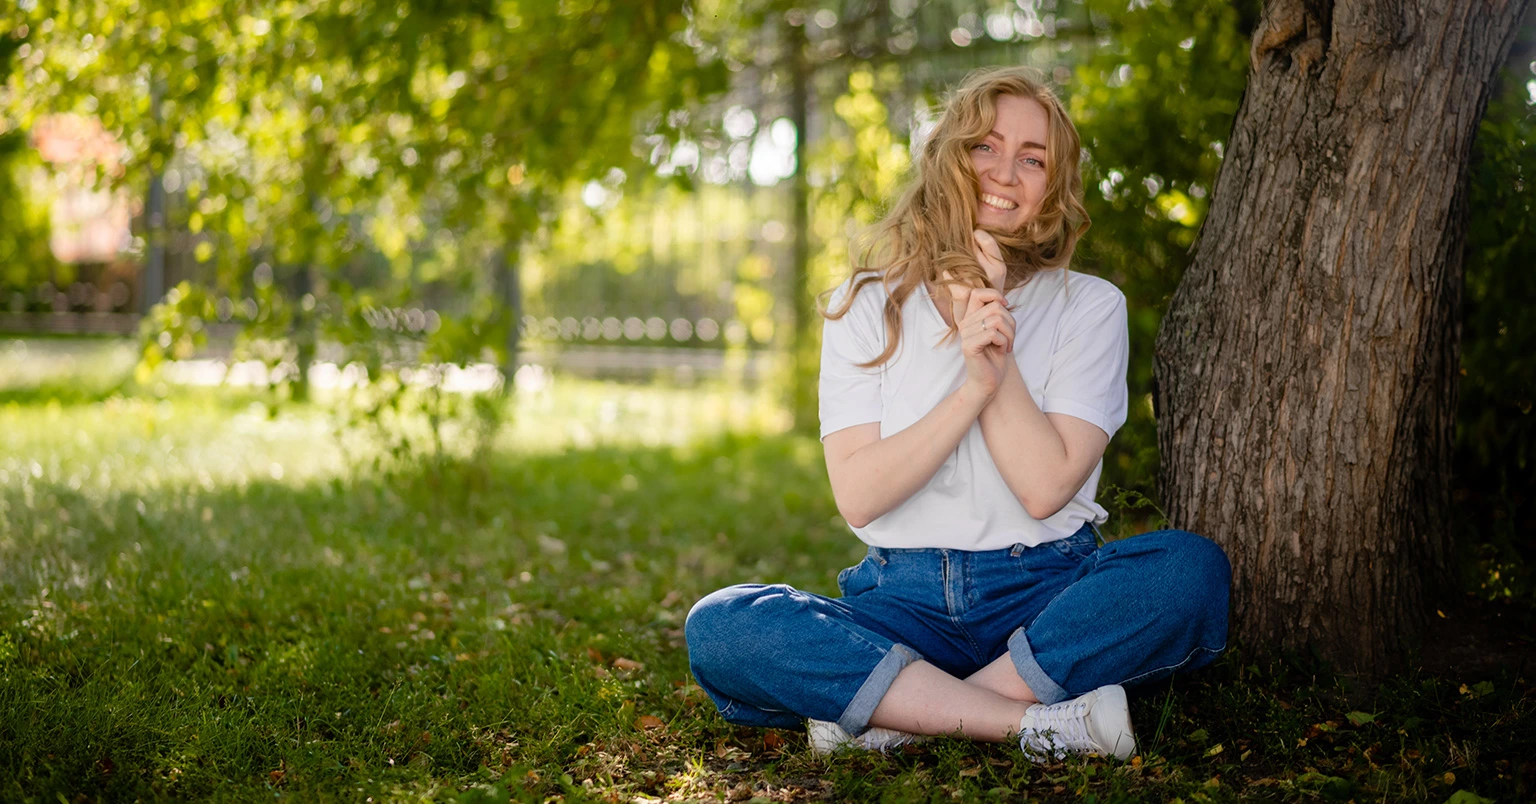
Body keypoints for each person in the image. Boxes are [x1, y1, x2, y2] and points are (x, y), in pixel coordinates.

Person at [684, 66, 1231, 760]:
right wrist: (971, 388)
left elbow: (1044, 487)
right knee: (724, 625)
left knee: (1189, 572)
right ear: (948, 158)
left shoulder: (1089, 306)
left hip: (1043, 592)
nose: (1006, 172)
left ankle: (903, 713)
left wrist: (993, 344)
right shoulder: (863, 304)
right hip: (901, 603)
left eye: (1033, 159)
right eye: (985, 147)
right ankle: (1031, 722)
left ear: (1051, 189)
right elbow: (860, 494)